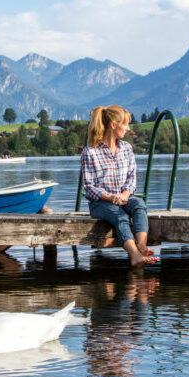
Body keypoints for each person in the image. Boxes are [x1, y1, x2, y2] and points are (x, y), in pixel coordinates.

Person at [81, 105, 158, 267]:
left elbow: (132, 178)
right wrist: (110, 197)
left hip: (122, 198)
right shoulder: (90, 151)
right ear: (113, 125)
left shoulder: (127, 148)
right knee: (120, 216)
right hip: (100, 203)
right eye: (125, 124)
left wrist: (124, 194)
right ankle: (134, 255)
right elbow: (89, 186)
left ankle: (142, 247)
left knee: (138, 204)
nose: (128, 128)